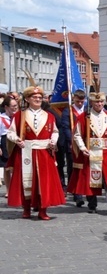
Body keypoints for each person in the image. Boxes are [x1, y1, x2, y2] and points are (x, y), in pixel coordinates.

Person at [5, 84, 67, 219]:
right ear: (27, 99)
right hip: (26, 151)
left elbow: (55, 132)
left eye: (40, 97)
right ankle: (26, 208)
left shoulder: (49, 116)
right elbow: (10, 133)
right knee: (26, 181)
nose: (38, 99)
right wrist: (17, 140)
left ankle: (43, 210)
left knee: (44, 182)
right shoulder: (20, 116)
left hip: (44, 152)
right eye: (35, 97)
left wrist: (53, 141)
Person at [68, 92, 107, 216]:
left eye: (101, 102)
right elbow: (77, 134)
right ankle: (92, 203)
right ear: (92, 102)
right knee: (93, 178)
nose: (99, 104)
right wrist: (83, 148)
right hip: (92, 151)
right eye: (96, 102)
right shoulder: (84, 117)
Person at [59, 90, 88, 204]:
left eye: (82, 101)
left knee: (86, 169)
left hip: (86, 144)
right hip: (73, 144)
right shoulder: (68, 111)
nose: (80, 104)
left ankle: (85, 190)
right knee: (74, 168)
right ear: (74, 99)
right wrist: (71, 140)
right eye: (77, 101)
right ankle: (77, 194)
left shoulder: (87, 111)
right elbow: (65, 127)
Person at [1, 94, 21, 194]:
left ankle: (18, 189)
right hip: (5, 142)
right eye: (13, 106)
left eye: (16, 106)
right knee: (7, 167)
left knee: (18, 166)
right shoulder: (1, 118)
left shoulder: (19, 116)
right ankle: (9, 190)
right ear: (6, 107)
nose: (15, 108)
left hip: (17, 140)